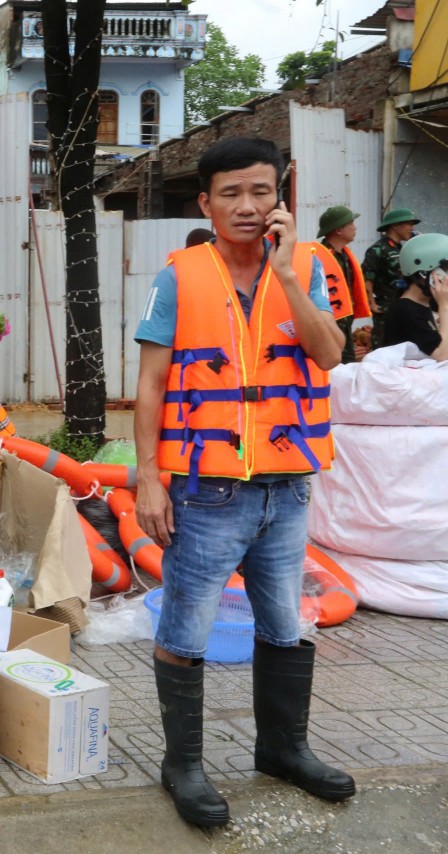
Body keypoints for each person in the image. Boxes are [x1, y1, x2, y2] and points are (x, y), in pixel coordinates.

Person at [133, 137, 352, 828]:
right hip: (206, 487)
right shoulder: (179, 275)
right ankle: (184, 766)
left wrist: (287, 275)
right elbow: (151, 384)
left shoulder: (310, 268)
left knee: (285, 626)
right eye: (230, 193)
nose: (248, 206)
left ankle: (283, 751)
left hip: (287, 486)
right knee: (187, 629)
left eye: (261, 191)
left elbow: (329, 353)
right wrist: (150, 479)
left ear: (280, 197)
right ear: (206, 202)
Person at [312, 206, 372, 363]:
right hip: (329, 327)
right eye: (351, 223)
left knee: (347, 367)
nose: (355, 227)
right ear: (339, 230)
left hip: (345, 324)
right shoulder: (318, 258)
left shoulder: (344, 256)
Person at [383, 233, 448, 360]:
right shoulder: (405, 310)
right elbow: (442, 355)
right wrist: (445, 307)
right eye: (445, 270)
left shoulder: (429, 303)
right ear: (423, 273)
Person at [362, 208, 420, 347]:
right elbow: (367, 278)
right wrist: (372, 304)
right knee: (383, 347)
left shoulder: (401, 249)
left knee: (401, 347)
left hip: (401, 307)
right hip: (385, 309)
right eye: (409, 224)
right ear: (395, 225)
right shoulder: (378, 249)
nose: (412, 228)